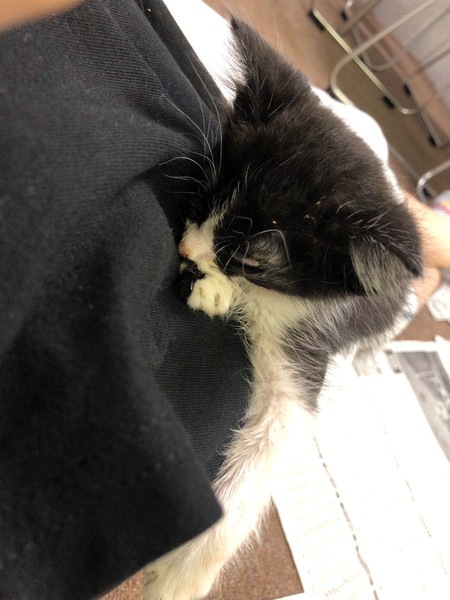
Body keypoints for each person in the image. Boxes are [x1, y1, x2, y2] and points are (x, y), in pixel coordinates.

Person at [1, 1, 448, 599]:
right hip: (347, 202)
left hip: (360, 257)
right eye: (205, 212)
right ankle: (430, 233)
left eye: (248, 259)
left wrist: (215, 542)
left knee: (401, 270)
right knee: (367, 140)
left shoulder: (329, 264)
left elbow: (286, 410)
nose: (191, 247)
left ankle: (428, 242)